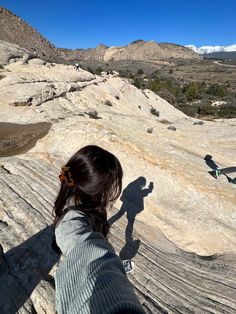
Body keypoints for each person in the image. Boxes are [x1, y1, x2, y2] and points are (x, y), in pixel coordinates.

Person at [53, 145, 145, 314]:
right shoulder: (71, 224)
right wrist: (109, 263)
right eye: (111, 185)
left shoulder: (72, 195)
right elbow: (89, 251)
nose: (112, 191)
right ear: (97, 189)